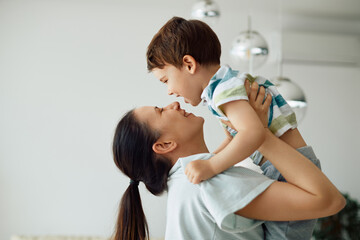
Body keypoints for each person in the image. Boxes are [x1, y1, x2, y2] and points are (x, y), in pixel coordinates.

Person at [146, 16, 318, 239]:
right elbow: (234, 138)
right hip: (283, 166)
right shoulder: (222, 88)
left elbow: (254, 134)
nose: (169, 91)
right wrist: (207, 160)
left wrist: (212, 167)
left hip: (290, 170)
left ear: (189, 64)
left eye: (165, 80)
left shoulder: (224, 92)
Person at [111, 84, 345, 240]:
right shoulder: (208, 185)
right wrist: (258, 133)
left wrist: (243, 134)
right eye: (161, 111)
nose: (174, 104)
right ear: (164, 146)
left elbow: (215, 160)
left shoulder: (188, 181)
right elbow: (329, 201)